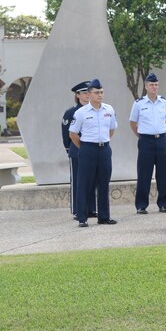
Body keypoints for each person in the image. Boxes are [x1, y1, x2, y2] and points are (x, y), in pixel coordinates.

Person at [68, 78, 118, 227]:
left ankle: (104, 216)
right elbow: (73, 134)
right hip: (87, 149)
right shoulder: (81, 112)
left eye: (101, 92)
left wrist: (103, 141)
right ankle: (82, 217)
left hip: (104, 149)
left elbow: (112, 129)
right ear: (89, 95)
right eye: (97, 93)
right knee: (84, 183)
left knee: (104, 183)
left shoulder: (109, 109)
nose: (100, 95)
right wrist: (83, 147)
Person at [131, 72, 166, 214]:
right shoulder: (139, 104)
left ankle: (163, 204)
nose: (154, 87)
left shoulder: (164, 102)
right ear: (146, 86)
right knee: (144, 174)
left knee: (163, 173)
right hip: (146, 141)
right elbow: (133, 123)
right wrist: (142, 135)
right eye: (151, 85)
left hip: (161, 139)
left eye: (156, 84)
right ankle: (141, 205)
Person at [61, 80, 96, 220]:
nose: (88, 95)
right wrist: (69, 150)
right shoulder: (71, 112)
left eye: (89, 92)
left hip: (92, 150)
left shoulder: (95, 110)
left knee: (92, 180)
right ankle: (77, 210)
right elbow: (65, 134)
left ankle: (91, 209)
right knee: (77, 181)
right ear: (78, 95)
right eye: (84, 93)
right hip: (76, 150)